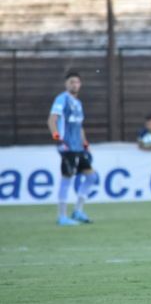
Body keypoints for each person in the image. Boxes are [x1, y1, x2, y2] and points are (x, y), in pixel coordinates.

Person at [47, 69, 99, 226]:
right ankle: (62, 216)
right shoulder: (62, 99)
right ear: (66, 84)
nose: (74, 85)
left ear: (80, 84)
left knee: (91, 177)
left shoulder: (78, 103)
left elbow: (79, 126)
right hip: (67, 147)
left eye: (77, 82)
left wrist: (85, 144)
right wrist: (58, 139)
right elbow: (51, 120)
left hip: (78, 147)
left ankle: (77, 211)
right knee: (67, 179)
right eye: (71, 82)